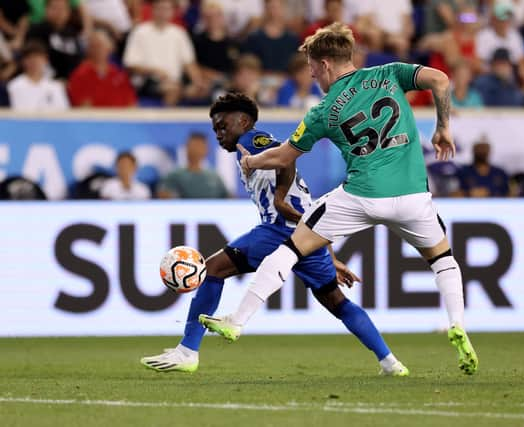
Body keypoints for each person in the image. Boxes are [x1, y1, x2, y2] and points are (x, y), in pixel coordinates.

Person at [200, 23, 479, 376]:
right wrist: (442, 126)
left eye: (313, 68)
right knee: (443, 260)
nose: (313, 75)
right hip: (413, 197)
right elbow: (440, 78)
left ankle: (237, 321)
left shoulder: (324, 111)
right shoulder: (390, 73)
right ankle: (458, 324)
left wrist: (252, 161)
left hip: (362, 195)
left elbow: (284, 157)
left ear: (327, 63)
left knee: (290, 248)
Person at [142, 92, 409, 376]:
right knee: (337, 301)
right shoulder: (243, 149)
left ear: (243, 121)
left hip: (278, 229)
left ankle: (187, 351)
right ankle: (390, 362)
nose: (219, 134)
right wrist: (330, 255)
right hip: (307, 234)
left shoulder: (251, 140)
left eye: (223, 126)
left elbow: (286, 156)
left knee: (212, 270)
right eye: (215, 129)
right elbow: (309, 214)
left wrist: (280, 197)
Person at [67, 29, 137, 107]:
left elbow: (131, 104)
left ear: (110, 48)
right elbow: (83, 107)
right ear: (89, 49)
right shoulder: (80, 75)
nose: (98, 50)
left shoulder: (119, 75)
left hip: (121, 117)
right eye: (94, 46)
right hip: (95, 118)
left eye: (101, 45)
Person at [157, 132, 229, 199]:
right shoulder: (175, 175)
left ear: (206, 150)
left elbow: (228, 197)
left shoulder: (214, 177)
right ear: (186, 147)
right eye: (194, 145)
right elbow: (163, 194)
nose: (196, 150)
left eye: (200, 146)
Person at [7, 41, 69, 111]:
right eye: (29, 58)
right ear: (23, 61)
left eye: (37, 57)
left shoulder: (56, 87)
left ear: (45, 59)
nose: (34, 61)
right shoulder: (13, 86)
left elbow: (64, 114)